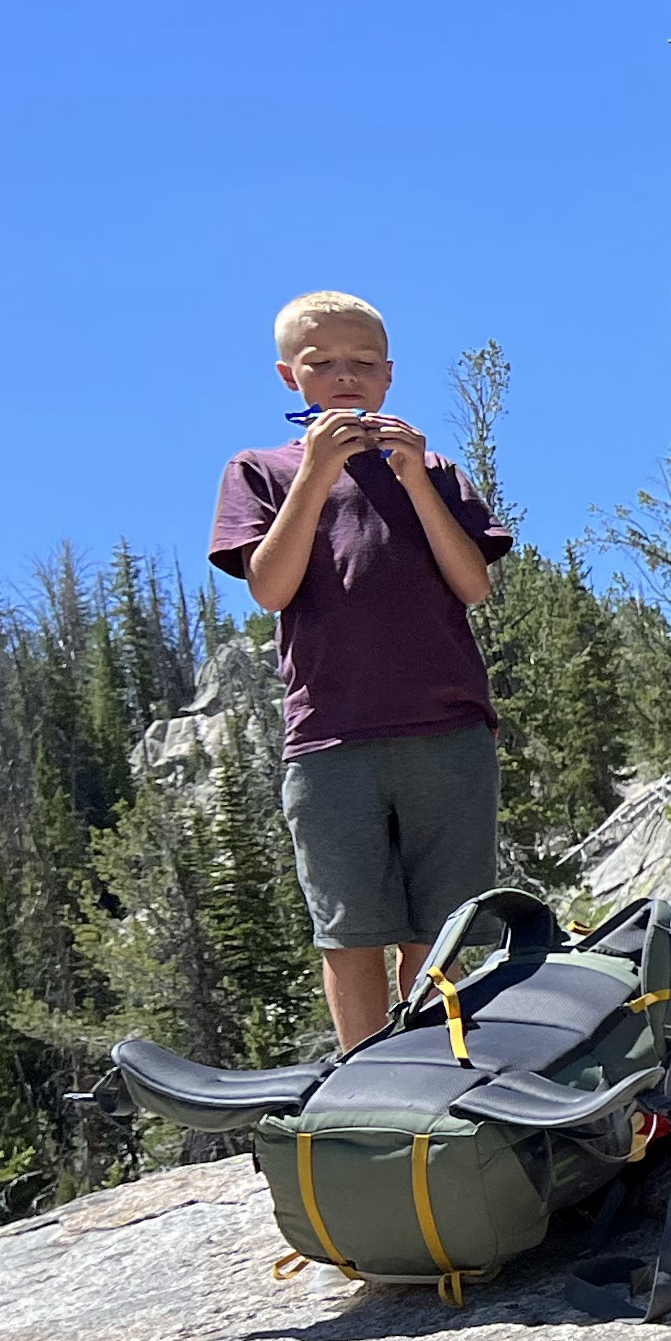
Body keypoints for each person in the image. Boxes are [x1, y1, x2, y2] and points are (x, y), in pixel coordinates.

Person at [206, 291, 513, 1051]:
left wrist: (412, 480)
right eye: (323, 363)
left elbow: (473, 585)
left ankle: (442, 1072)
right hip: (330, 740)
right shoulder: (261, 471)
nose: (346, 376)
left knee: (443, 929)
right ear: (290, 377)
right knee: (349, 933)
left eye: (363, 364)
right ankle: (365, 1086)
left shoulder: (433, 468)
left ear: (389, 376)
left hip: (447, 729)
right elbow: (270, 587)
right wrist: (315, 474)